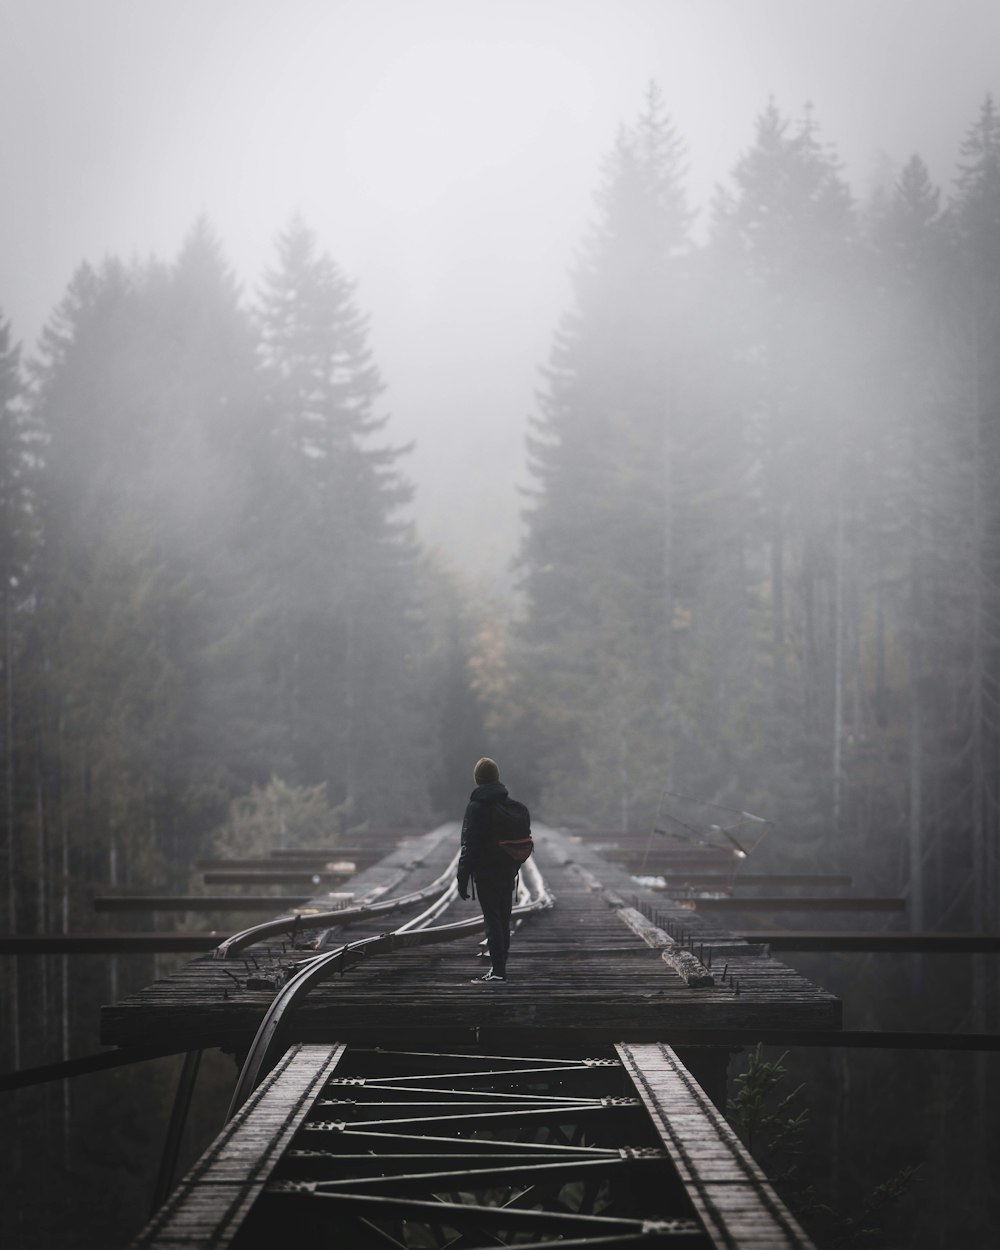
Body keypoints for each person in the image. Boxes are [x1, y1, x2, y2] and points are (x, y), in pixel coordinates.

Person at [456, 756, 531, 983]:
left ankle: (498, 971)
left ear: (478, 779)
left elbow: (469, 845)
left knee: (492, 921)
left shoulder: (477, 807)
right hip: (507, 870)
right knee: (503, 919)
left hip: (486, 873)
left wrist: (462, 877)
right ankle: (501, 968)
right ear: (496, 778)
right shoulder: (510, 806)